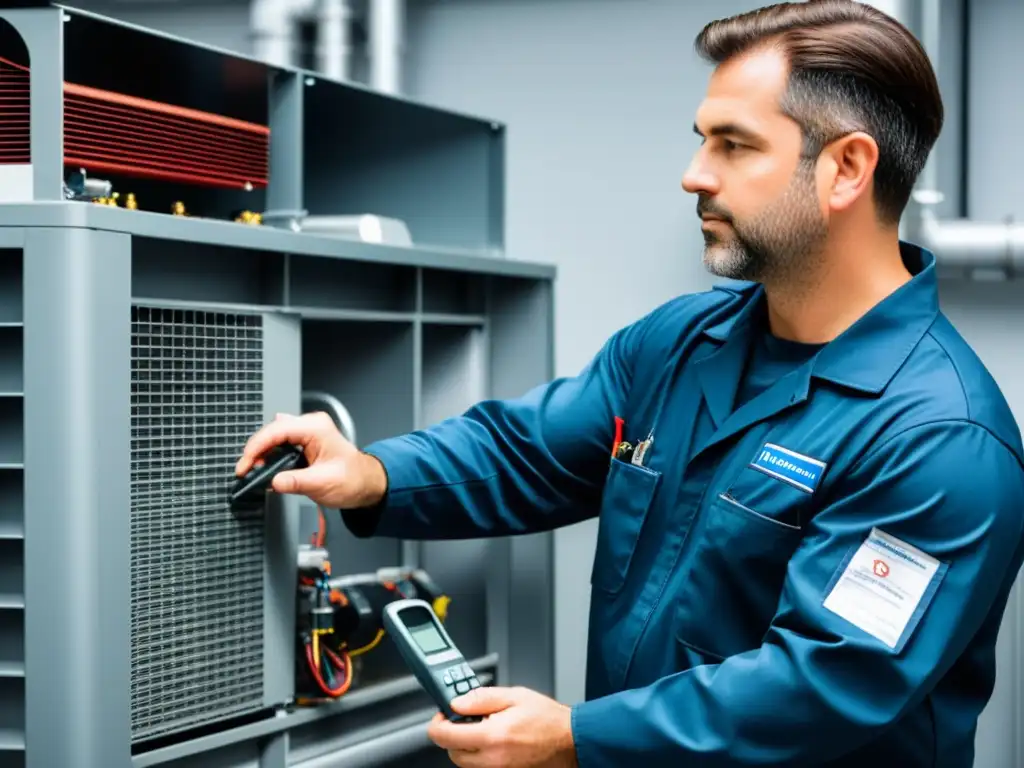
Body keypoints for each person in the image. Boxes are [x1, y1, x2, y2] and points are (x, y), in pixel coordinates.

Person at [235, 1, 1024, 765]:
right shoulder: (680, 342)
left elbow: (824, 683)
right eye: (700, 141)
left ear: (847, 168)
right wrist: (371, 473)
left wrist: (579, 740)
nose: (693, 175)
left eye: (734, 146)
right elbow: (528, 454)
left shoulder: (940, 436)